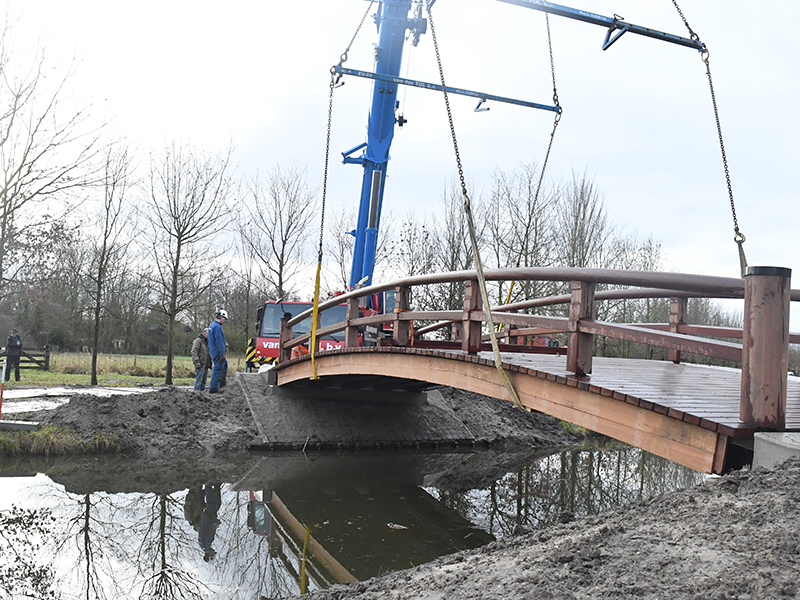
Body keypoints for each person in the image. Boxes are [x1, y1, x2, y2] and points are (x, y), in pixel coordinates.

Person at [208, 310, 228, 394]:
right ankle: (214, 388)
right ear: (221, 317)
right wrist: (222, 354)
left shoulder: (212, 325)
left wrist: (225, 342)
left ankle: (222, 383)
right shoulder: (218, 327)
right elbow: (219, 341)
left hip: (213, 351)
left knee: (225, 365)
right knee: (218, 369)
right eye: (225, 318)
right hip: (217, 352)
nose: (225, 320)